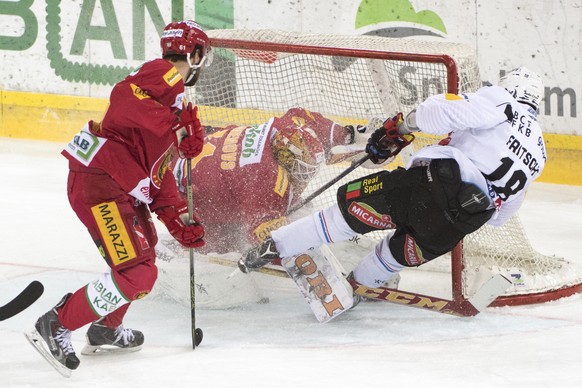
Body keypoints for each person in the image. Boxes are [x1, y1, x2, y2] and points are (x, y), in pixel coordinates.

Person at [239, 67, 546, 296]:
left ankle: (270, 248)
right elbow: (502, 215)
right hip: (455, 226)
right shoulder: (540, 152)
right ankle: (360, 286)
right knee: (394, 255)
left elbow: (439, 111)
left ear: (510, 88)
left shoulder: (503, 103)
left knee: (343, 218)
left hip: (423, 187)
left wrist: (402, 127)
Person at [28, 20, 211, 373]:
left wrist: (179, 219)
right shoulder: (164, 74)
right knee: (137, 274)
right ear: (197, 53)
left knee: (143, 254)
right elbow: (122, 99)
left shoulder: (173, 99)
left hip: (108, 183)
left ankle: (105, 329)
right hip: (101, 185)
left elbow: (158, 176)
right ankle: (56, 323)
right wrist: (174, 125)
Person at [172, 107, 368, 254]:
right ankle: (180, 253)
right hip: (182, 196)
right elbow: (262, 234)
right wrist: (282, 238)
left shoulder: (284, 129)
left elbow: (308, 119)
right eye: (302, 169)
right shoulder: (265, 180)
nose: (306, 176)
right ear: (284, 158)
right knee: (223, 248)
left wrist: (348, 135)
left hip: (187, 158)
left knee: (289, 213)